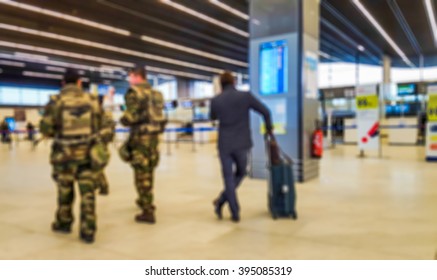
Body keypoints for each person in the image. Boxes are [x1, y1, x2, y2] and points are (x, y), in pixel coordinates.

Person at [39, 69, 104, 243]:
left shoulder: (55, 101)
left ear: (63, 83)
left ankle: (64, 223)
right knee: (88, 194)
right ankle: (88, 230)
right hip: (87, 156)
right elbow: (101, 125)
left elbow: (46, 129)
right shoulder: (92, 100)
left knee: (64, 192)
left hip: (63, 156)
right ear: (79, 82)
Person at [210, 71, 273, 223]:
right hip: (242, 143)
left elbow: (212, 117)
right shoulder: (245, 97)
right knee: (241, 172)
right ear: (234, 82)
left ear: (220, 84)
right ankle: (227, 206)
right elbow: (266, 111)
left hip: (224, 144)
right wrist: (269, 129)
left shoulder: (216, 100)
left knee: (228, 178)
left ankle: (227, 206)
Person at [119, 66, 166, 224]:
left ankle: (147, 210)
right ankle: (144, 199)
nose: (129, 80)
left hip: (140, 138)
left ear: (137, 76)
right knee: (149, 169)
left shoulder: (134, 93)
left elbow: (130, 117)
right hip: (154, 137)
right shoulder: (157, 94)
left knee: (141, 172)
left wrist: (123, 119)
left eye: (130, 76)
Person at [95, 95, 115, 195]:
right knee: (97, 165)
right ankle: (98, 184)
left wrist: (98, 136)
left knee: (96, 165)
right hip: (102, 142)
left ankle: (103, 186)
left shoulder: (99, 114)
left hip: (99, 143)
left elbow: (108, 130)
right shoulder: (105, 114)